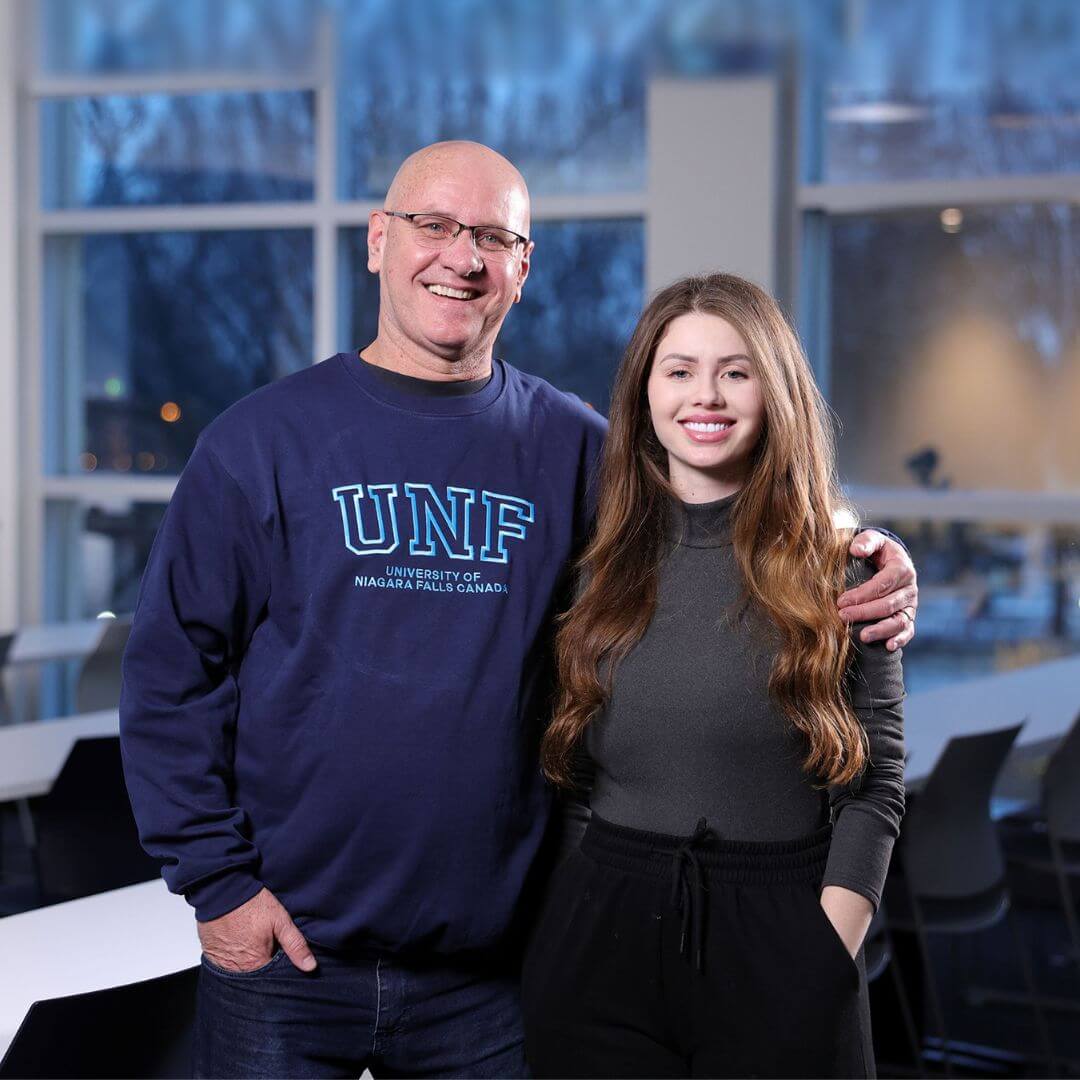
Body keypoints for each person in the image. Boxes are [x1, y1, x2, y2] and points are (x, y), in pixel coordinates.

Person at [119, 143, 917, 1079]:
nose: (462, 256)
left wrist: (868, 556)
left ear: (522, 267)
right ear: (378, 240)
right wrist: (218, 889)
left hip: (496, 976)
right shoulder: (259, 443)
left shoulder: (580, 454)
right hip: (288, 960)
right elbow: (171, 680)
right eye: (434, 226)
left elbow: (731, 517)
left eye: (494, 236)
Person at [522, 273, 906, 1079]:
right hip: (601, 937)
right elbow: (575, 782)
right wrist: (559, 931)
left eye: (736, 371)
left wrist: (821, 963)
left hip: (782, 935)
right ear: (644, 394)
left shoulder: (848, 568)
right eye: (680, 370)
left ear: (776, 391)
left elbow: (874, 786)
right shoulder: (594, 566)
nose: (708, 395)